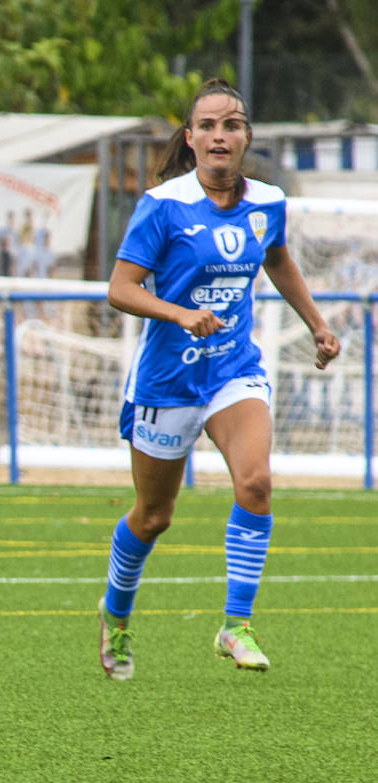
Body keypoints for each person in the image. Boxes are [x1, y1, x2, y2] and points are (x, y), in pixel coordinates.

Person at [97, 79, 341, 681]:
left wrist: (316, 324)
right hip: (167, 380)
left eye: (231, 124)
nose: (219, 135)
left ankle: (236, 624)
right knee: (153, 516)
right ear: (190, 138)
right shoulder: (163, 205)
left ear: (246, 137)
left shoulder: (268, 203)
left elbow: (277, 259)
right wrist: (178, 313)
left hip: (233, 370)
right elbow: (120, 289)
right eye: (206, 125)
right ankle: (116, 613)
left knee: (255, 483)